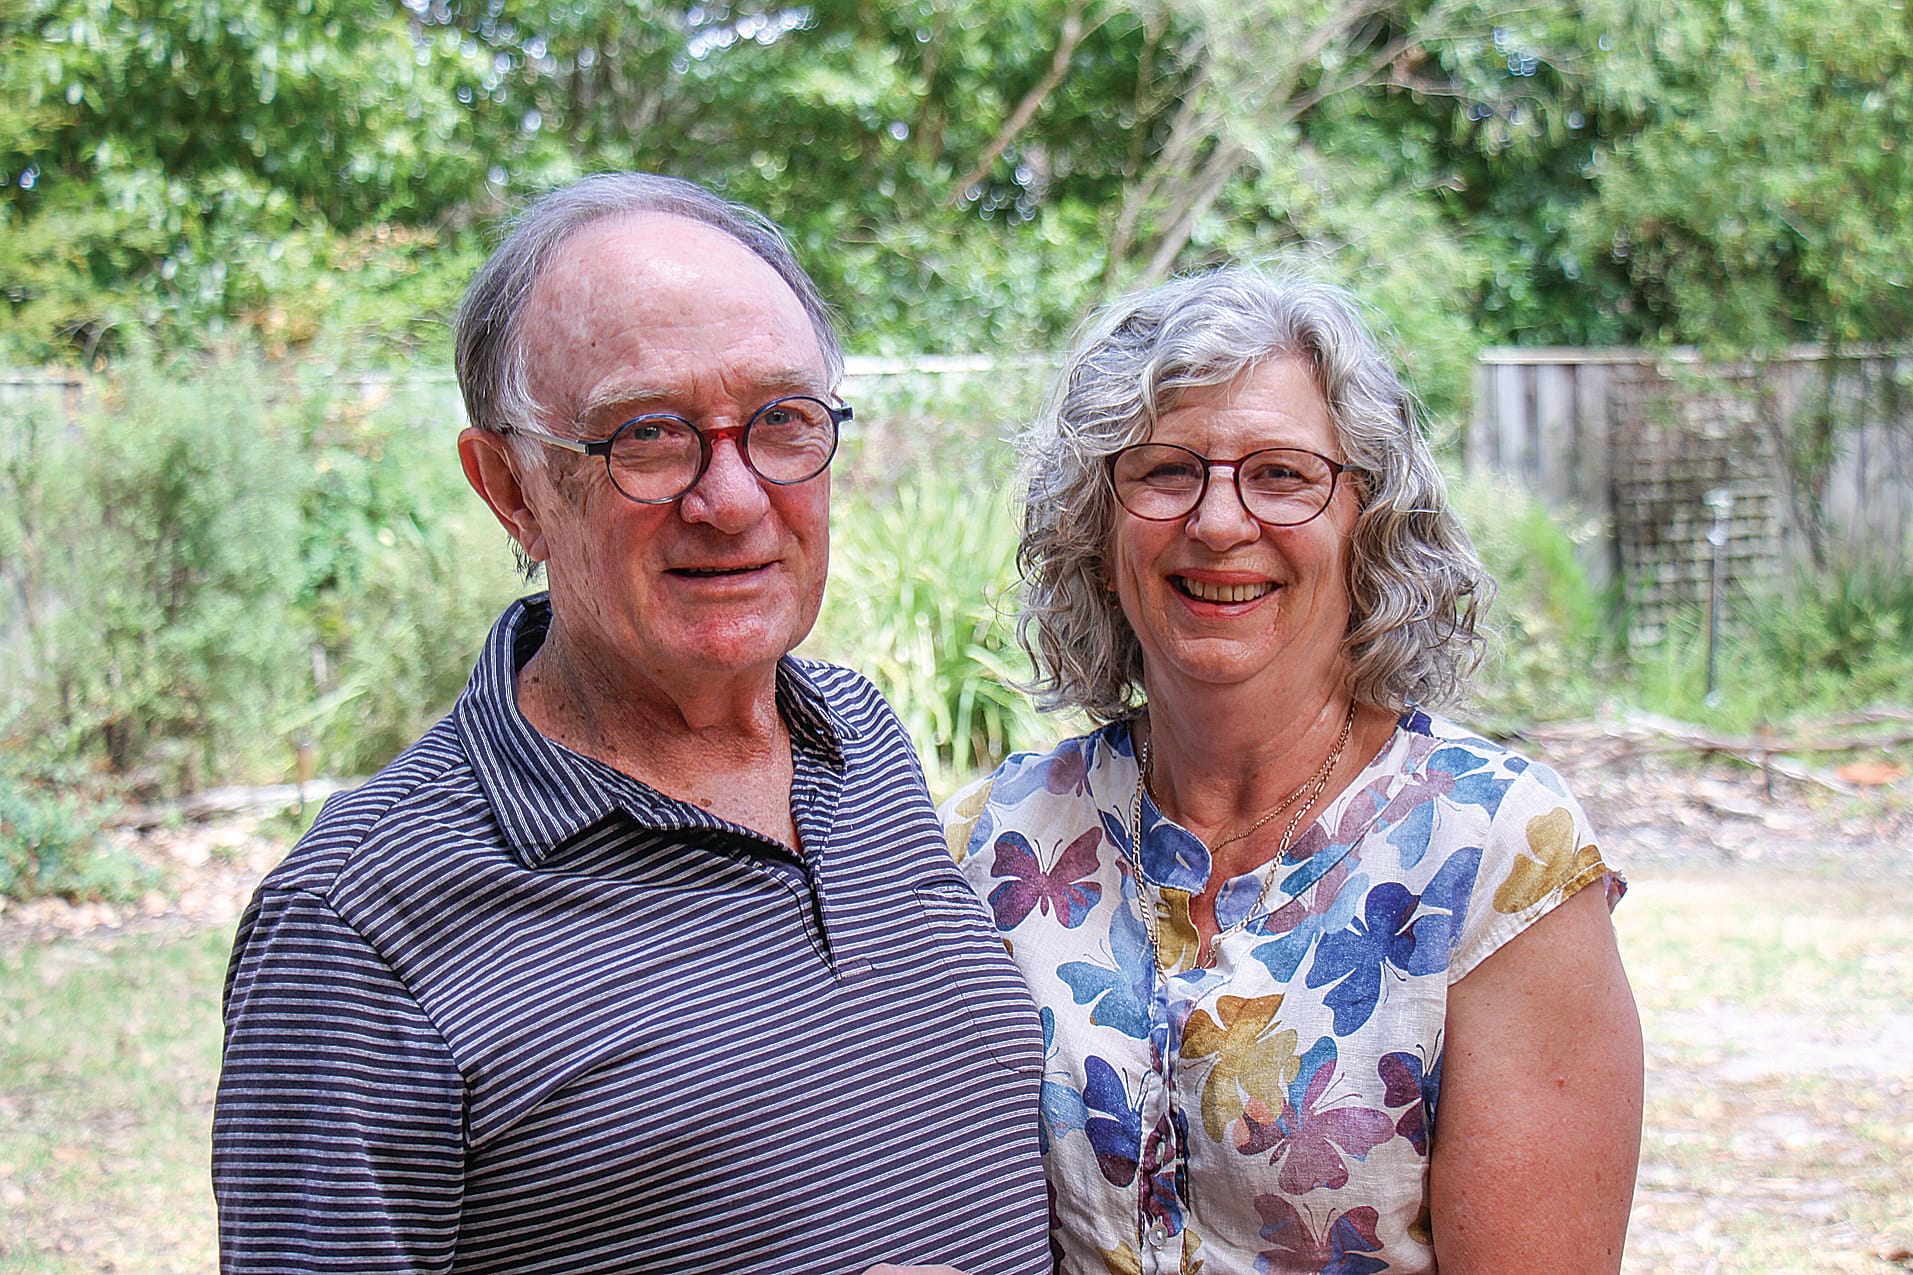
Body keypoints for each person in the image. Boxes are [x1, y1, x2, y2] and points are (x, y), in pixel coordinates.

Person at [212, 172, 1050, 1274]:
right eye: (648, 437)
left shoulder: (858, 741)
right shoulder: (360, 928)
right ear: (510, 487)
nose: (734, 498)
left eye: (782, 421)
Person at [944, 266, 1643, 1274]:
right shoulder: (994, 844)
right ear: (1096, 528)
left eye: (1280, 474)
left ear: (1367, 519)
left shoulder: (1495, 854)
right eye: (1163, 470)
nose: (1218, 522)